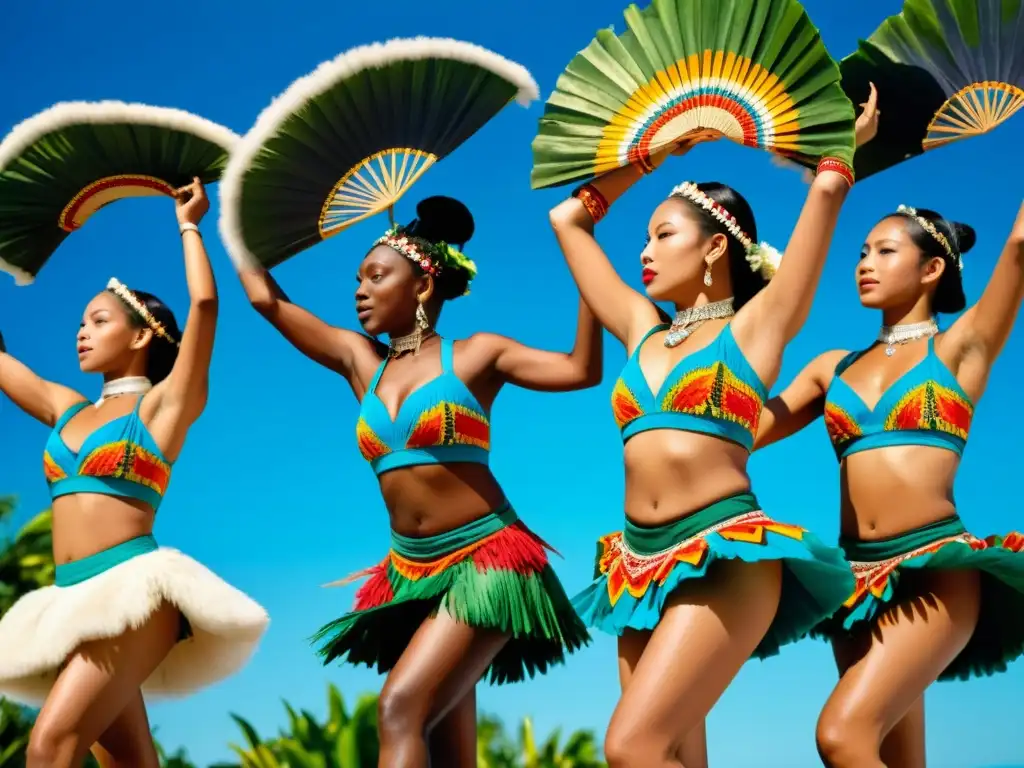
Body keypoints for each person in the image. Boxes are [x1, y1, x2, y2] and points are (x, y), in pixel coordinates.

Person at [552, 93, 879, 768]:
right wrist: (654, 155)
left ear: (715, 248)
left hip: (723, 558)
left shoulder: (755, 330)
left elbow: (823, 201)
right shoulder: (641, 330)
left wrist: (839, 153)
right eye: (644, 236)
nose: (644, 251)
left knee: (630, 747)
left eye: (662, 235)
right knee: (670, 754)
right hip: (637, 568)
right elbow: (567, 222)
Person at [234, 195, 598, 768]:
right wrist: (228, 214)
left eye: (376, 276)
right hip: (409, 571)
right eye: (358, 278)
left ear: (423, 286)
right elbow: (264, 297)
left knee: (399, 709)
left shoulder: (476, 355)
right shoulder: (361, 362)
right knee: (445, 749)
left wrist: (587, 261)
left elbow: (581, 369)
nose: (359, 290)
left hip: (487, 559)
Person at [0, 178, 269, 768]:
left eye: (98, 320)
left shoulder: (164, 407)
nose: (82, 331)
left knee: (49, 748)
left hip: (135, 594)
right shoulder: (66, 407)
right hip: (70, 601)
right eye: (81, 323)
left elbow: (203, 307)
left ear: (143, 334)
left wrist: (189, 223)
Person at [756, 198, 1024, 767]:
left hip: (936, 571)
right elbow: (742, 430)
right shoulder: (833, 367)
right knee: (894, 755)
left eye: (884, 250)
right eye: (861, 252)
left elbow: (1021, 248)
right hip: (856, 587)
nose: (864, 263)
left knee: (841, 736)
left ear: (932, 269)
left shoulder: (959, 349)